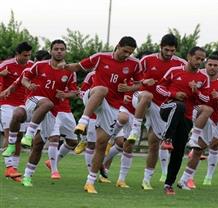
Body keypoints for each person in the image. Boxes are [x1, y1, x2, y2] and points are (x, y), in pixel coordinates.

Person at [61, 36, 142, 194]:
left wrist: (129, 88)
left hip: (112, 107)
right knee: (102, 89)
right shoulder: (100, 57)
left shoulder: (134, 64)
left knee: (101, 144)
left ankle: (90, 182)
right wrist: (63, 67)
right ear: (117, 46)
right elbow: (77, 66)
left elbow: (140, 83)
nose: (127, 55)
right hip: (93, 97)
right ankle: (83, 122)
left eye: (130, 53)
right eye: (125, 51)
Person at [128, 34, 187, 190]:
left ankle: (146, 179)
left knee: (154, 143)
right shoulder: (146, 60)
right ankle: (135, 130)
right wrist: (143, 82)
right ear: (160, 46)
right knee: (147, 95)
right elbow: (131, 79)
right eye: (166, 49)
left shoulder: (181, 64)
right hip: (142, 98)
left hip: (161, 106)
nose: (169, 53)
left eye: (172, 50)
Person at [18, 39, 76, 186]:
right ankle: (28, 135)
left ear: (65, 51)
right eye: (56, 49)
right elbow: (24, 78)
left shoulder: (69, 71)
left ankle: (27, 176)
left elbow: (75, 91)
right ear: (51, 51)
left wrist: (65, 95)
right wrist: (28, 85)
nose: (59, 51)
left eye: (62, 49)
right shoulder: (39, 65)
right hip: (33, 101)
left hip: (51, 111)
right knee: (46, 103)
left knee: (38, 145)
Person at [157, 46, 213, 195]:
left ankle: (169, 184)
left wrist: (196, 91)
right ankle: (166, 138)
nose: (200, 62)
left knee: (179, 151)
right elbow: (159, 88)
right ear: (189, 56)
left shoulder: (203, 78)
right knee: (179, 105)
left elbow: (207, 98)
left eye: (202, 59)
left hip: (186, 118)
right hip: (167, 109)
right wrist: (174, 93)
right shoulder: (175, 71)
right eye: (197, 58)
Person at [178, 55, 218, 190]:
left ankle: (184, 181)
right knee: (206, 109)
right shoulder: (199, 77)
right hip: (197, 110)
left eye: (215, 65)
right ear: (206, 64)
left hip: (215, 117)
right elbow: (193, 96)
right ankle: (192, 136)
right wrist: (194, 90)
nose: (212, 67)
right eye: (209, 64)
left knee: (200, 148)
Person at [0, 42, 33, 181]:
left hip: (23, 105)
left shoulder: (32, 66)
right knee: (9, 133)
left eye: (29, 55)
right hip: (6, 103)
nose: (27, 58)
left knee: (19, 137)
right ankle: (9, 168)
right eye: (24, 55)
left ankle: (14, 169)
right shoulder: (6, 65)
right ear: (17, 54)